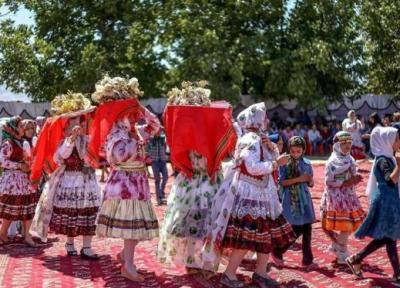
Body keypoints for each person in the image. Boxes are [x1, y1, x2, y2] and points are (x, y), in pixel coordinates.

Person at [206, 103, 295, 287]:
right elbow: (252, 167)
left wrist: (272, 152)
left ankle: (260, 273)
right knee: (246, 235)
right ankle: (229, 274)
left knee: (265, 233)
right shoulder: (251, 139)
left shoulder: (257, 138)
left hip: (261, 192)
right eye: (264, 117)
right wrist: (276, 163)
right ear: (257, 120)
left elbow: (263, 160)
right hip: (251, 193)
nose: (267, 120)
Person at [92, 76, 160, 282]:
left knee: (139, 226)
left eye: (134, 115)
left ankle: (125, 256)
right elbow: (120, 156)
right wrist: (136, 142)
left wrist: (140, 108)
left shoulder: (135, 132)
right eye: (129, 115)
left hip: (138, 183)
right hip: (123, 184)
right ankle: (128, 266)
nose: (134, 119)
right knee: (132, 227)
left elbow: (156, 125)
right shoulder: (115, 134)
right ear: (120, 116)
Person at [31, 93, 101, 259]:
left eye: (80, 120)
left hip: (87, 181)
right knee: (72, 211)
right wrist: (72, 139)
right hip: (69, 180)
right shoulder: (64, 141)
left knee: (88, 212)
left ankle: (87, 247)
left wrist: (83, 141)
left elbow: (93, 155)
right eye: (74, 120)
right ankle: (70, 243)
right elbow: (60, 156)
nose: (79, 123)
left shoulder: (88, 139)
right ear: (68, 124)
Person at [346, 126, 400, 285]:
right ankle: (397, 274)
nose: (398, 142)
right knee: (389, 238)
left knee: (388, 238)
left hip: (391, 201)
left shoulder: (389, 158)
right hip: (385, 202)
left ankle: (356, 258)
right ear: (387, 141)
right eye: (396, 139)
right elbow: (390, 181)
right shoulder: (382, 160)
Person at [320, 131, 365, 264]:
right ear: (337, 144)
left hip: (348, 196)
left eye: (349, 143)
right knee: (346, 226)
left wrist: (354, 180)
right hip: (337, 199)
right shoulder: (333, 161)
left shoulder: (349, 158)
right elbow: (329, 181)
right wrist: (347, 182)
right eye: (344, 143)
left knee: (350, 225)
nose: (347, 146)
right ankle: (342, 253)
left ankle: (337, 245)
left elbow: (351, 174)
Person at [272, 136, 316, 269]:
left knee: (307, 229)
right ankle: (278, 251)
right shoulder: (285, 163)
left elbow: (311, 183)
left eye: (299, 151)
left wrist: (309, 180)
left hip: (305, 199)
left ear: (303, 150)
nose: (296, 154)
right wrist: (300, 179)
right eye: (293, 151)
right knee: (296, 229)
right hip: (291, 200)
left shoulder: (307, 163)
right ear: (289, 150)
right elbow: (282, 182)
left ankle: (307, 260)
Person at [0, 116, 38, 246]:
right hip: (12, 181)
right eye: (21, 126)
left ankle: (27, 236)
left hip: (24, 180)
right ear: (14, 128)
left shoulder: (23, 143)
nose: (23, 128)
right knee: (10, 209)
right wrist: (19, 166)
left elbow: (28, 159)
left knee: (28, 207)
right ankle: (2, 234)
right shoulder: (8, 143)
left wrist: (30, 164)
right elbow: (2, 161)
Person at [147, 127, 168, 205]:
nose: (158, 132)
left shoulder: (163, 138)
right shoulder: (151, 139)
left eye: (159, 131)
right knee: (157, 180)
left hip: (162, 161)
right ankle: (158, 198)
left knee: (165, 177)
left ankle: (161, 191)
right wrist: (150, 156)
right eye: (156, 131)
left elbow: (165, 147)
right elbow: (147, 149)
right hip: (155, 162)